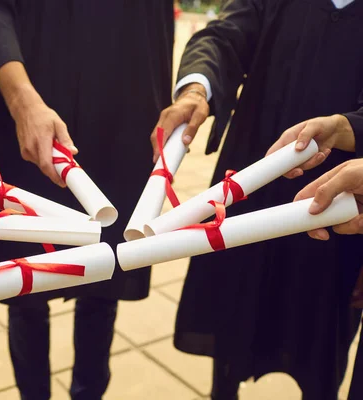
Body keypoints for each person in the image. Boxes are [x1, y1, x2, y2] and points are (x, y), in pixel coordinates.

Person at [0, 1, 175, 398]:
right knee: (26, 287)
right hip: (32, 116)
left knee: (105, 282)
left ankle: (88, 391)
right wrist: (22, 100)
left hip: (122, 112)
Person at [153, 1, 363, 398]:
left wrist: (346, 126)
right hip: (253, 183)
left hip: (339, 204)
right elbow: (223, 37)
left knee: (320, 344)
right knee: (234, 317)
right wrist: (197, 89)